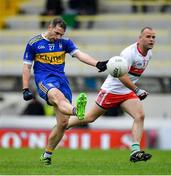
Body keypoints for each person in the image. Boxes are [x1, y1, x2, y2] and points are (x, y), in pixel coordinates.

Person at [22, 17, 108, 165]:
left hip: (62, 81)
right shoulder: (34, 43)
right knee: (57, 97)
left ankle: (47, 155)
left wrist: (97, 63)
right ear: (50, 27)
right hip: (45, 81)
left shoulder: (65, 42)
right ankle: (76, 110)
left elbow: (80, 55)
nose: (58, 37)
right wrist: (25, 88)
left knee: (62, 123)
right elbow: (27, 67)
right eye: (56, 33)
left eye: (61, 34)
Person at [67, 27, 156, 163]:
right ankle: (63, 125)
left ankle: (135, 151)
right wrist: (137, 90)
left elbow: (131, 76)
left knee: (139, 116)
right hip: (111, 91)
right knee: (90, 118)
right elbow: (121, 75)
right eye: (148, 36)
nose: (151, 40)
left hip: (126, 91)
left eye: (153, 37)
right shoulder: (129, 53)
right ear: (140, 38)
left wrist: (133, 90)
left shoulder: (149, 54)